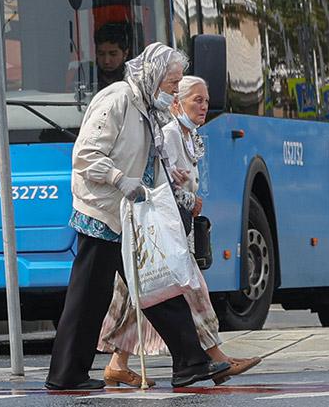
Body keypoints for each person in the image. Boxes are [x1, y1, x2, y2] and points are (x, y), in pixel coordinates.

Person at [45, 44, 230, 391]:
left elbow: (145, 157)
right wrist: (119, 179)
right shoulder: (117, 100)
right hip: (103, 213)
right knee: (91, 296)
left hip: (135, 214)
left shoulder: (150, 108)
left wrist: (166, 174)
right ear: (153, 77)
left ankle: (190, 362)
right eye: (171, 83)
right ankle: (66, 374)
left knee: (158, 285)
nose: (174, 91)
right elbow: (86, 154)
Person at [98, 76, 262, 386]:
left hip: (175, 227)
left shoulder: (191, 135)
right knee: (191, 291)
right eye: (196, 100)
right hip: (164, 230)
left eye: (205, 99)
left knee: (139, 296)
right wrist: (190, 200)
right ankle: (218, 359)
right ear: (177, 103)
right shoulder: (171, 134)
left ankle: (117, 363)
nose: (203, 106)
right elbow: (162, 182)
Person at [95, 22, 133, 90]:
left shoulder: (134, 79)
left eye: (113, 54)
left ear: (125, 54)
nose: (106, 61)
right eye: (101, 54)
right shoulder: (86, 76)